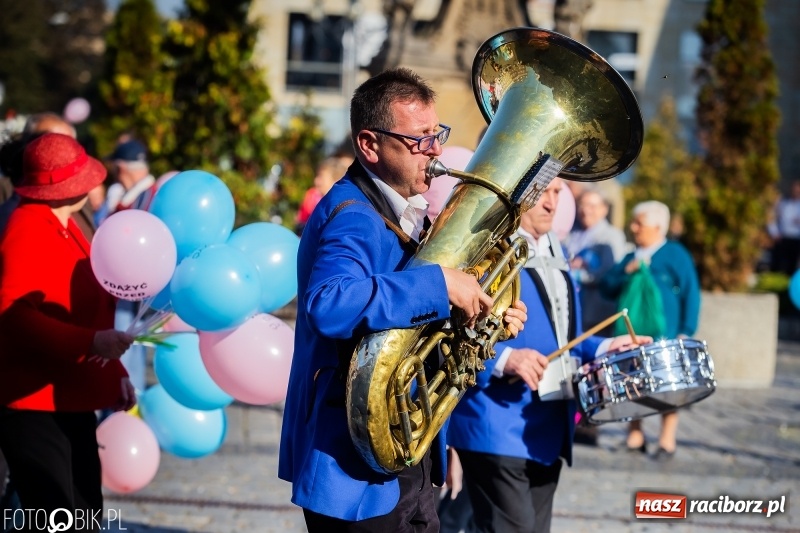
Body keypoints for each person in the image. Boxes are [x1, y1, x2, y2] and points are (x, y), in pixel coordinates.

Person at [278, 67, 527, 532]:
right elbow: (328, 303)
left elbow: (411, 329)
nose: (434, 152)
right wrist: (439, 284)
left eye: (437, 135)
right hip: (352, 464)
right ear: (369, 145)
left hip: (404, 451)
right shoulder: (353, 215)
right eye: (419, 140)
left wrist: (481, 314)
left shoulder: (404, 212)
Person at [446, 176, 650, 533]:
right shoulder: (483, 248)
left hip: (549, 423)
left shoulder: (557, 251)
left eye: (557, 192)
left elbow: (565, 337)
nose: (550, 203)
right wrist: (506, 359)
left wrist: (604, 346)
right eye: (541, 192)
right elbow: (448, 333)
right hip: (495, 421)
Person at [0, 133, 135, 527]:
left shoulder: (66, 223)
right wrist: (92, 343)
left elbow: (88, 312)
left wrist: (115, 372)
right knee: (58, 513)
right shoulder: (27, 225)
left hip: (67, 396)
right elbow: (12, 313)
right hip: (33, 403)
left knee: (85, 510)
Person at [599, 200, 701, 460]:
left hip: (665, 332)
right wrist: (626, 273)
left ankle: (667, 440)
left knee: (668, 386)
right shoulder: (632, 257)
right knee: (632, 383)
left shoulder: (675, 254)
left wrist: (686, 330)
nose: (633, 228)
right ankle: (635, 435)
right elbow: (607, 286)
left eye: (639, 223)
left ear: (657, 227)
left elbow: (691, 293)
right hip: (631, 334)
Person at [97, 139, 156, 393]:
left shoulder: (148, 198)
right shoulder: (127, 196)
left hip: (131, 288)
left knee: (125, 348)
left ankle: (123, 405)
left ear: (123, 168)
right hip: (121, 285)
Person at [564, 187, 628, 335]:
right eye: (582, 205)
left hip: (598, 315)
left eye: (592, 206)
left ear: (604, 209)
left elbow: (610, 273)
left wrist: (576, 273)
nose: (585, 210)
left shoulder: (612, 237)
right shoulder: (571, 234)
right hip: (573, 312)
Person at [295, 155, 351, 234]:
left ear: (336, 180)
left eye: (321, 177)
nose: (316, 181)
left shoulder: (341, 211)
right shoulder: (318, 201)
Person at [768, 181, 800, 276]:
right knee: (777, 264)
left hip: (796, 239)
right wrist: (774, 232)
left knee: (793, 265)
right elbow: (771, 218)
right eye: (795, 190)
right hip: (782, 238)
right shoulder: (783, 203)